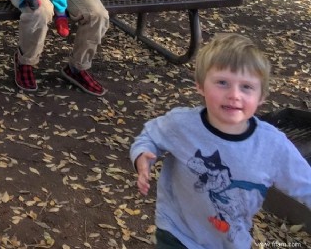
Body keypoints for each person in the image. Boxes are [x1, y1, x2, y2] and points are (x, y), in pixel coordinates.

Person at [130, 33, 311, 249]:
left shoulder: (273, 145)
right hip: (177, 232)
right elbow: (150, 135)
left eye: (246, 87)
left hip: (231, 241)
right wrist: (143, 155)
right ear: (200, 86)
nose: (234, 94)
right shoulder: (182, 124)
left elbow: (305, 184)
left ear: (261, 96)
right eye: (222, 83)